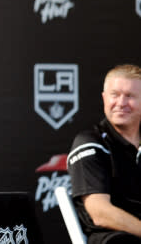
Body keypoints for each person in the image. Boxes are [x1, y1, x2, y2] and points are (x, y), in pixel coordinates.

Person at [67, 64, 141, 244]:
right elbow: (100, 213)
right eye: (114, 95)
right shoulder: (91, 142)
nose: (121, 103)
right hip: (115, 238)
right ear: (104, 98)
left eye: (130, 96)